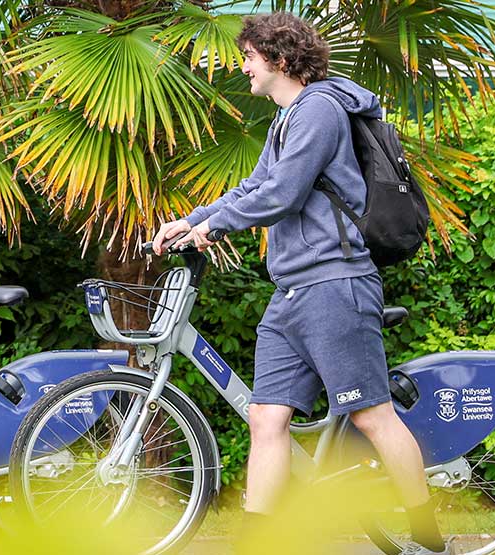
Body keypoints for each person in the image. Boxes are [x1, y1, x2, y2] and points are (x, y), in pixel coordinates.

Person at [150, 13, 446, 555]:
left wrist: (214, 226)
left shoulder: (320, 111)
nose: (243, 69)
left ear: (279, 59)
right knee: (267, 417)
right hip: (291, 292)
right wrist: (194, 220)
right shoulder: (285, 120)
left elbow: (282, 194)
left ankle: (428, 538)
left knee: (372, 415)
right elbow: (256, 184)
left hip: (336, 283)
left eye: (248, 59)